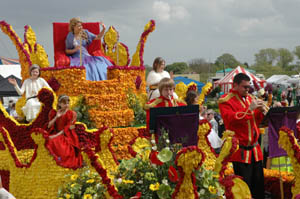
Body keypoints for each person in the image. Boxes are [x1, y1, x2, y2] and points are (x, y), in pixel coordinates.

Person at [218, 73, 265, 199]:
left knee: (259, 188)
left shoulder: (250, 98)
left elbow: (256, 121)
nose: (247, 89)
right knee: (245, 189)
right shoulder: (226, 100)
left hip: (255, 151)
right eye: (244, 87)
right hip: (241, 152)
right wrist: (249, 110)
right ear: (235, 85)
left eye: (248, 87)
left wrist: (262, 111)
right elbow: (231, 120)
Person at [46, 95, 83, 169]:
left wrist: (55, 136)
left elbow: (67, 128)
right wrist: (57, 116)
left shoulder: (71, 114)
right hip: (56, 133)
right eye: (64, 103)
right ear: (59, 104)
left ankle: (60, 162)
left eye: (68, 103)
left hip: (67, 135)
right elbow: (49, 126)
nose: (67, 105)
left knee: (55, 141)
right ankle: (52, 162)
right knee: (47, 141)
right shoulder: (54, 113)